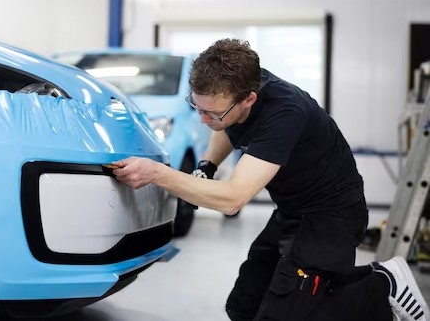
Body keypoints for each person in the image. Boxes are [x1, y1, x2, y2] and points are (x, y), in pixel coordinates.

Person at [111, 38, 429, 321]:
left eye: (212, 113)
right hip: (291, 211)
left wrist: (157, 173)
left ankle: (381, 283)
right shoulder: (234, 91)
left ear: (248, 98)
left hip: (332, 218)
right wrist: (206, 166)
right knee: (243, 307)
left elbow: (233, 198)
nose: (203, 120)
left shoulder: (285, 112)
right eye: (197, 107)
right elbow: (226, 127)